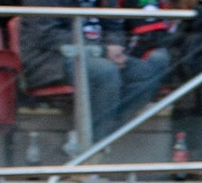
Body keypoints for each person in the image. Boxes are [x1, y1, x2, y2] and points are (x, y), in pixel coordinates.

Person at [17, 0, 173, 145]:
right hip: (51, 59)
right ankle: (93, 150)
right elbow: (47, 35)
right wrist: (102, 50)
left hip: (99, 56)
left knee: (146, 74)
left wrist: (115, 47)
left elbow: (114, 26)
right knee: (104, 71)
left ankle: (95, 137)